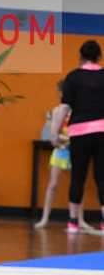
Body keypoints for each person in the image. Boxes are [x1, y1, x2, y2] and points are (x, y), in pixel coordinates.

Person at [51, 40, 104, 234]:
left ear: (80, 56)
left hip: (79, 133)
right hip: (102, 132)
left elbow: (64, 108)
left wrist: (54, 133)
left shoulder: (73, 77)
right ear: (99, 57)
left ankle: (73, 222)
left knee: (77, 177)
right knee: (102, 177)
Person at [35, 81, 93, 231]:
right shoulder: (57, 111)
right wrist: (61, 140)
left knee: (77, 184)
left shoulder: (80, 111)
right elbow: (51, 134)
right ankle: (44, 218)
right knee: (53, 184)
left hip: (76, 150)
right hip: (61, 150)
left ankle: (80, 219)